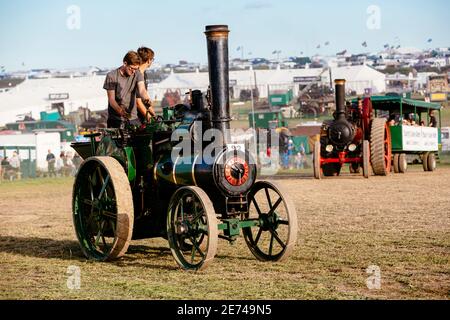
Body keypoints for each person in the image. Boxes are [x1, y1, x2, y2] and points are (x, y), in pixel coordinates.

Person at [103, 51, 154, 128]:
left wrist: (146, 99)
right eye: (132, 68)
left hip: (133, 118)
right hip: (115, 120)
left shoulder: (137, 73)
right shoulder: (111, 76)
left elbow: (142, 90)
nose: (133, 71)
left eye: (136, 69)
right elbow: (112, 100)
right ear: (125, 63)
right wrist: (121, 112)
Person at [136, 47, 156, 123]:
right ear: (149, 60)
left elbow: (145, 99)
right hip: (136, 117)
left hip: (142, 114)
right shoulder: (136, 74)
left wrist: (154, 115)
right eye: (152, 59)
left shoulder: (144, 74)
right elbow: (138, 102)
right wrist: (151, 118)